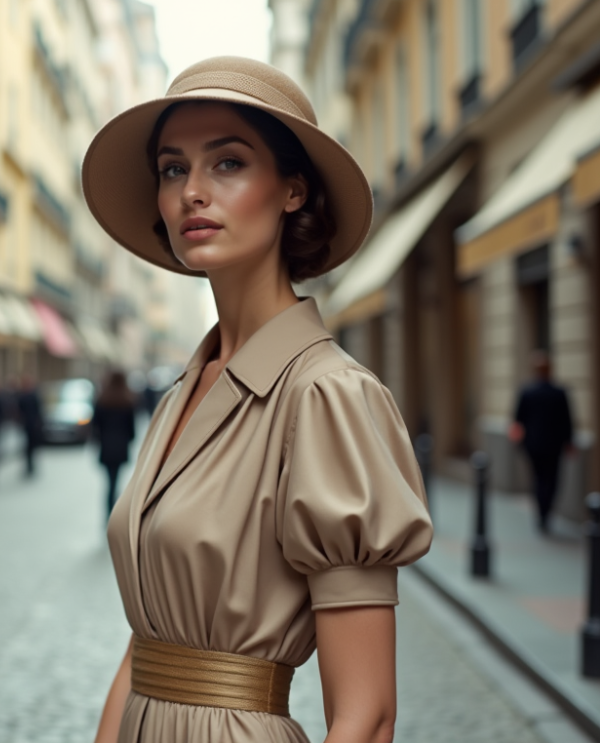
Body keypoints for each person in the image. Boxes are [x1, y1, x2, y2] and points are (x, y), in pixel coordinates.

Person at [83, 57, 432, 743]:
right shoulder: (181, 392)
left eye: (229, 164)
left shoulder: (327, 397)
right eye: (173, 168)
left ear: (292, 191)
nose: (192, 192)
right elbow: (143, 648)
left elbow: (368, 716)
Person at [510, 350, 575, 534]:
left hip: (535, 445)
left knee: (539, 479)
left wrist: (518, 442)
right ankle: (545, 513)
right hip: (553, 445)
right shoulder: (558, 392)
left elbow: (517, 419)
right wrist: (569, 442)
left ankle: (542, 514)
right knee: (552, 480)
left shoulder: (528, 391)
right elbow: (567, 420)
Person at [92, 370, 138, 519]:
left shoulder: (102, 400)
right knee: (115, 481)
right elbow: (132, 431)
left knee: (109, 483)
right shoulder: (127, 401)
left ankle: (109, 513)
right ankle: (114, 513)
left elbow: (95, 427)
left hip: (106, 447)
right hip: (120, 447)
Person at [14, 374, 44, 478]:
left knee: (33, 446)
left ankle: (32, 464)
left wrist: (39, 423)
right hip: (25, 425)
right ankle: (28, 465)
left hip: (34, 425)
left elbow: (39, 410)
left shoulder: (34, 395)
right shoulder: (21, 396)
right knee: (26, 446)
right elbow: (18, 410)